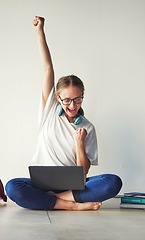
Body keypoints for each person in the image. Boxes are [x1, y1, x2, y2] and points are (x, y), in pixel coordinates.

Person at [5, 16, 122, 211]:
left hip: (74, 187)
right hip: (44, 184)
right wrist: (39, 33)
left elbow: (83, 171)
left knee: (112, 182)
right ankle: (71, 206)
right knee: (12, 187)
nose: (72, 105)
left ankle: (58, 198)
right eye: (67, 100)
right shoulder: (49, 112)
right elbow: (47, 68)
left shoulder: (87, 127)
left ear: (82, 97)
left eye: (77, 99)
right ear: (57, 98)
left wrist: (79, 142)